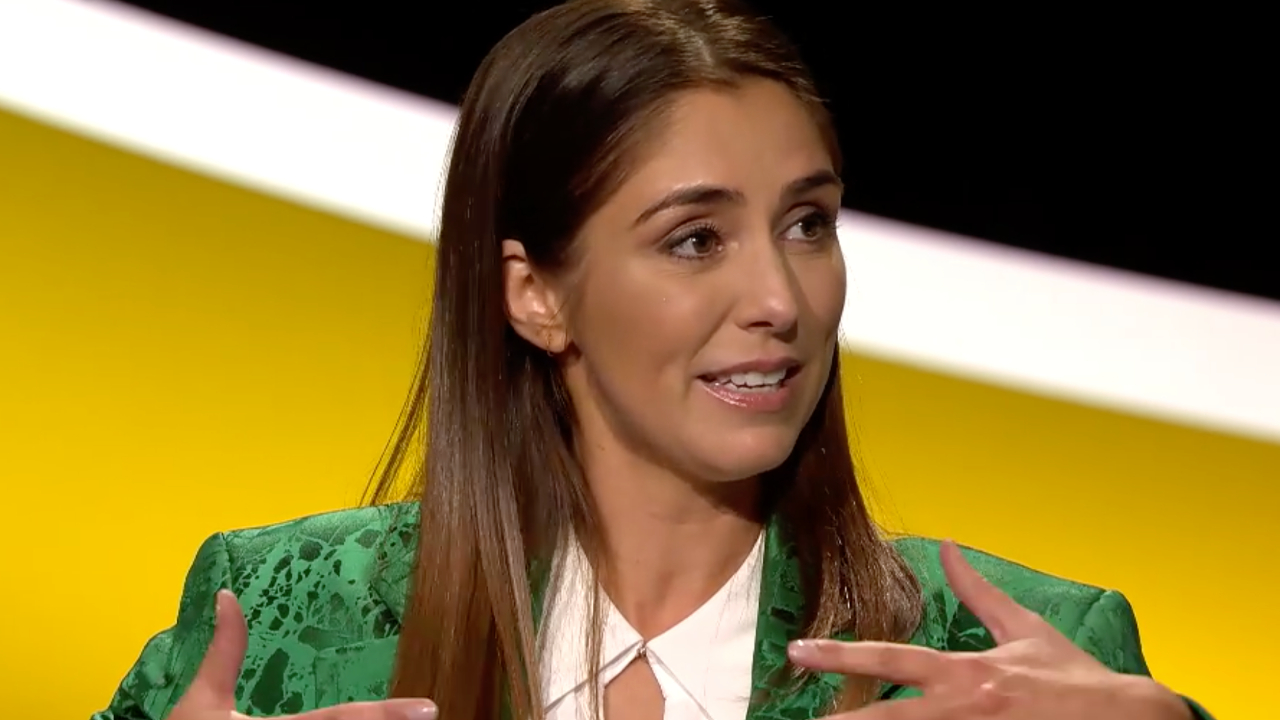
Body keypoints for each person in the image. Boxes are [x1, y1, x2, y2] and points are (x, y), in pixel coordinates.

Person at [93, 1, 1214, 719]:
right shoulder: (283, 618)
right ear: (535, 295)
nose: (780, 300)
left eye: (807, 224)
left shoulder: (1007, 658)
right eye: (694, 239)